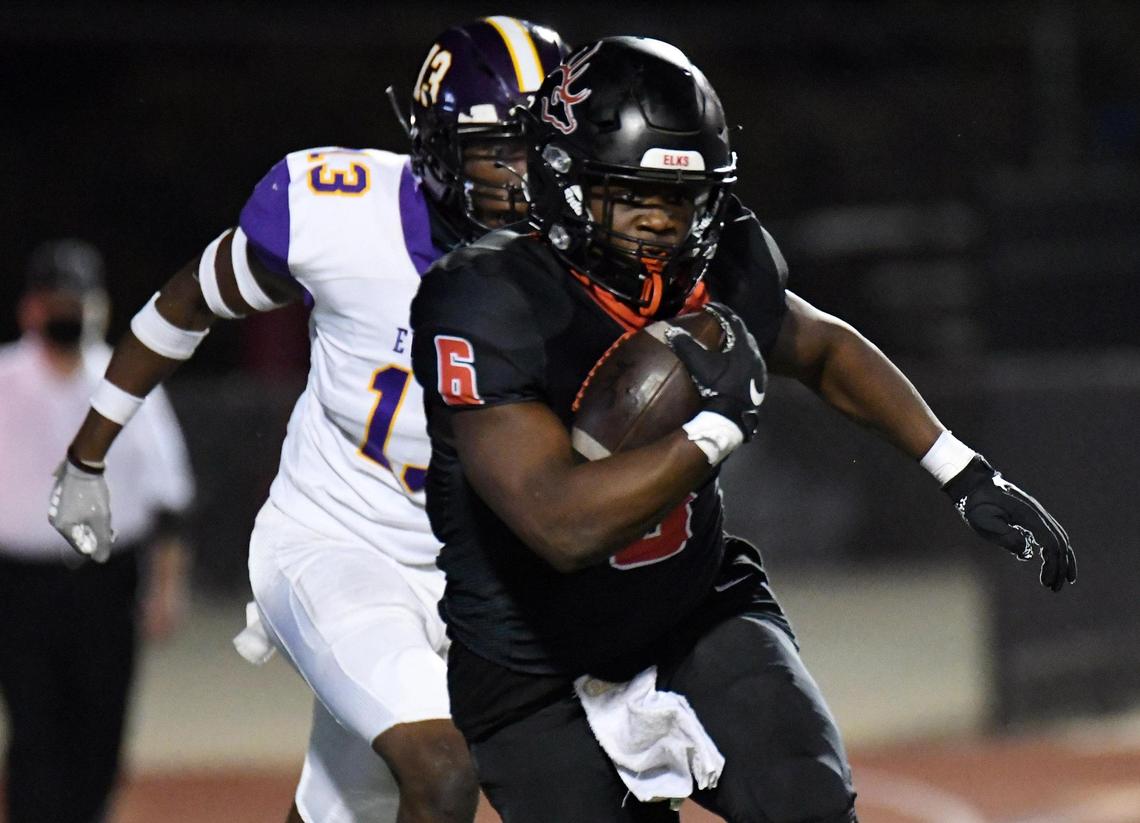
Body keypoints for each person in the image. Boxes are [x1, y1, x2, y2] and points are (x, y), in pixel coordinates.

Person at [409, 37, 1078, 823]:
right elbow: (558, 523)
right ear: (566, 182)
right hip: (532, 667)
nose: (661, 222)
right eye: (635, 196)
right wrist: (716, 427)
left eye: (683, 197)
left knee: (811, 806)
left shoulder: (718, 258)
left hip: (691, 611)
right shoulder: (487, 302)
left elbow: (822, 346)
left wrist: (961, 471)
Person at [46, 17, 568, 823]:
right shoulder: (340, 216)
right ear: (436, 144)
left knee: (347, 804)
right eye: (498, 148)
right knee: (443, 769)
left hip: (476, 572)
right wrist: (86, 455)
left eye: (542, 147)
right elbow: (187, 301)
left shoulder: (584, 250)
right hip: (335, 541)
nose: (525, 176)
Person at [0, 238, 194, 823]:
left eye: (76, 301)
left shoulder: (129, 379)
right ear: (30, 308)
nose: (65, 314)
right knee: (35, 729)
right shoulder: (4, 379)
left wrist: (167, 588)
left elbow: (171, 500)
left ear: (100, 308)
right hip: (20, 585)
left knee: (101, 727)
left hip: (106, 584)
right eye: (54, 301)